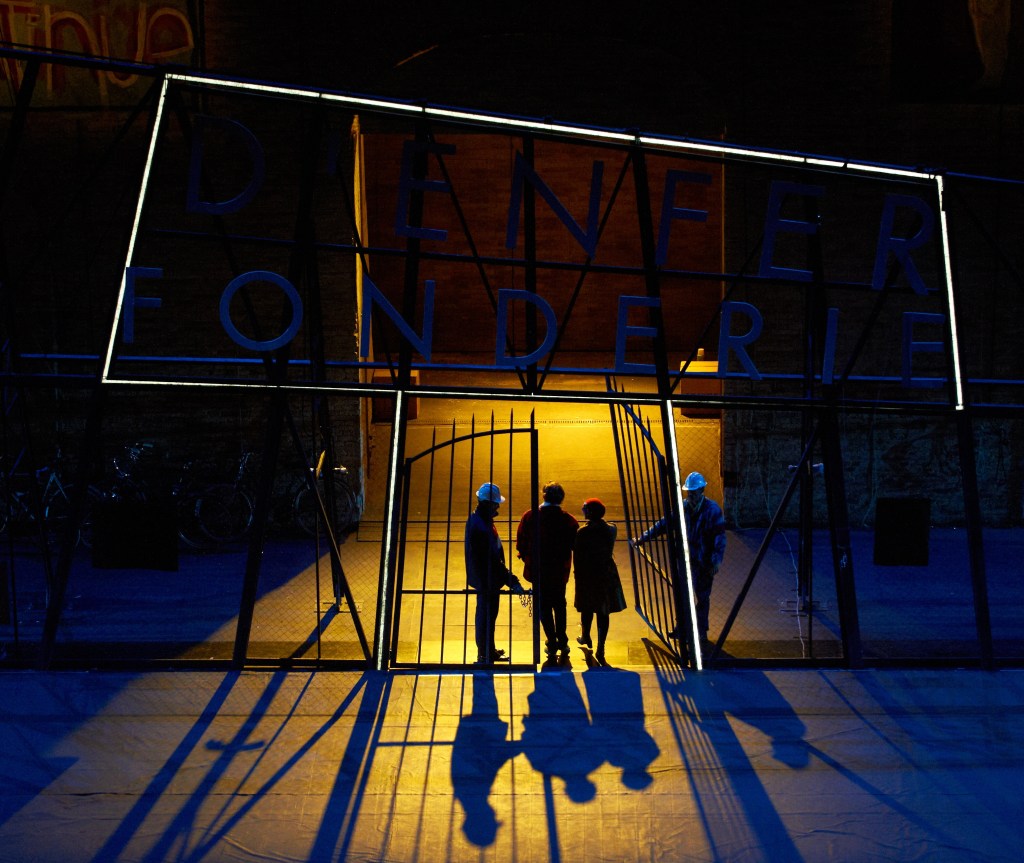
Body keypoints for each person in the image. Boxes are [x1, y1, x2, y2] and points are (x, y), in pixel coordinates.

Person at [631, 471, 726, 646]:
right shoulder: (682, 508)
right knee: (683, 595)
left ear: (702, 491)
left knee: (702, 597)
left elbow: (719, 537)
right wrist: (643, 538)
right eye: (689, 492)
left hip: (704, 561)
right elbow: (662, 525)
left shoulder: (712, 510)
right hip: (686, 559)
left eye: (694, 492)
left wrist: (715, 560)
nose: (691, 495)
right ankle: (682, 628)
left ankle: (700, 631)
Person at [515, 481, 578, 661]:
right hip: (559, 571)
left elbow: (521, 542)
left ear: (544, 495)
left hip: (538, 570)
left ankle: (551, 641)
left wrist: (527, 557)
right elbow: (575, 544)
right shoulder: (568, 520)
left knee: (543, 606)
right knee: (559, 604)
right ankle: (562, 640)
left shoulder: (530, 516)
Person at [465, 482, 525, 665]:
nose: (498, 507)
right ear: (489, 504)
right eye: (496, 504)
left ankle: (488, 650)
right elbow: (492, 561)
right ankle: (485, 654)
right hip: (487, 579)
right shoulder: (481, 526)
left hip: (486, 578)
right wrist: (512, 581)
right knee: (486, 617)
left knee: (488, 616)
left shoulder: (479, 521)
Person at [572, 498, 626, 665]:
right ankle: (601, 645)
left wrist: (576, 573)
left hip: (588, 573)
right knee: (603, 610)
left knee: (587, 607)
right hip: (606, 572)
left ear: (589, 512)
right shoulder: (611, 529)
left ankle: (586, 635)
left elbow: (578, 556)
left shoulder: (582, 532)